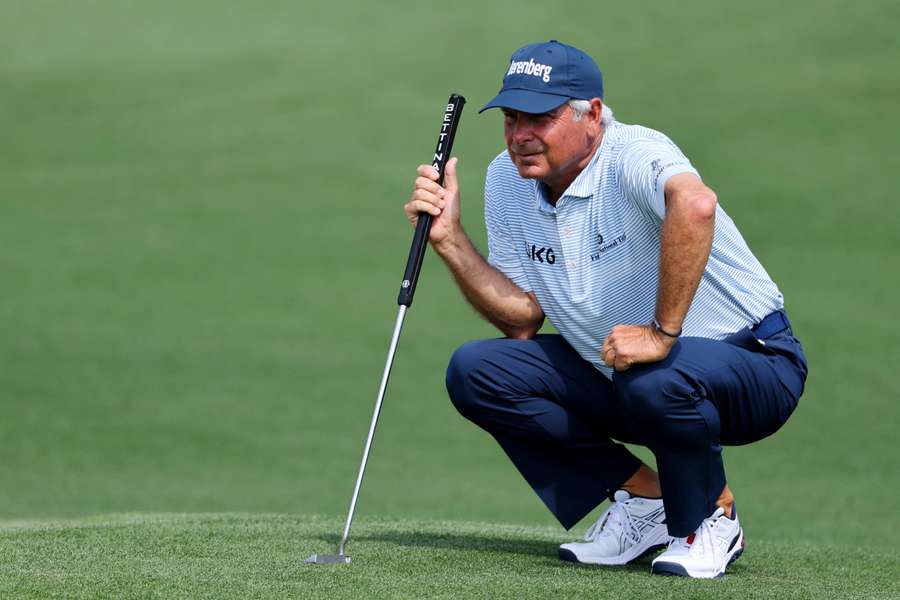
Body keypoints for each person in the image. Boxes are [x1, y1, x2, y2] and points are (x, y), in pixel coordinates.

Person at [404, 40, 807, 578]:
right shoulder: (507, 179)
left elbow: (695, 204)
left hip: (754, 363)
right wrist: (451, 240)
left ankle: (712, 518)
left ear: (592, 114)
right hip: (624, 373)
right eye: (511, 118)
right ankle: (644, 500)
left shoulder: (633, 153)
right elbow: (522, 320)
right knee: (479, 371)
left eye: (540, 118)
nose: (520, 135)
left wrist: (662, 333)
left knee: (651, 377)